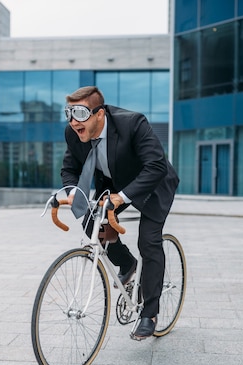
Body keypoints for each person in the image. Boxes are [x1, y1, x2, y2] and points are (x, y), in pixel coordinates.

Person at [61, 86, 179, 340]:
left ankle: (149, 314)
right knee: (92, 222)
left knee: (148, 240)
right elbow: (69, 167)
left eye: (80, 113)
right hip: (114, 182)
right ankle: (126, 263)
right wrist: (72, 192)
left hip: (153, 183)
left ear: (100, 114)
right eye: (69, 113)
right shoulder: (73, 134)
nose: (73, 121)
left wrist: (122, 197)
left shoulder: (132, 123)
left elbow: (156, 165)